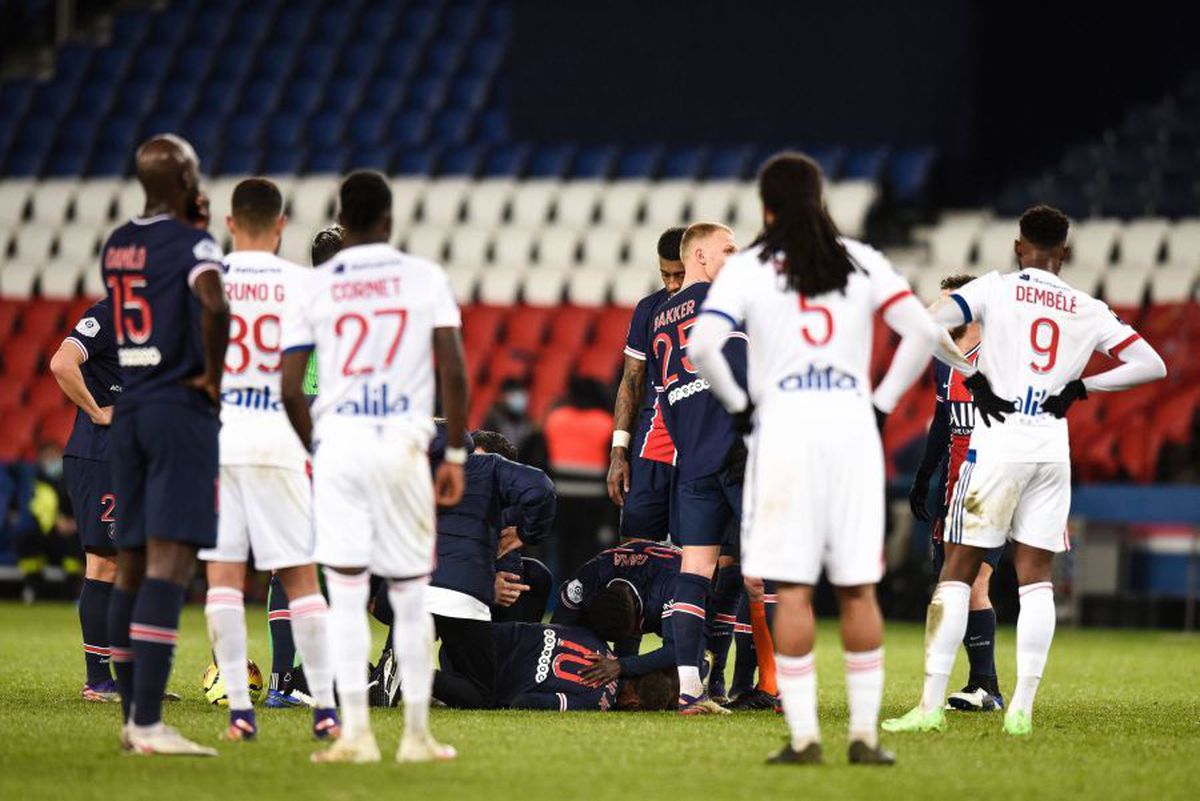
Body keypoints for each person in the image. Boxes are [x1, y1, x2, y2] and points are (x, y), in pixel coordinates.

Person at [690, 152, 946, 764]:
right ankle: (863, 737)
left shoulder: (750, 267)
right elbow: (922, 332)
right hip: (850, 433)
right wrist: (881, 406)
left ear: (767, 207)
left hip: (782, 433)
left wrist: (742, 408)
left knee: (794, 591)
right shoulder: (861, 259)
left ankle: (804, 737)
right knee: (859, 591)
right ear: (821, 198)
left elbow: (703, 346)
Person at [884, 205, 1167, 737]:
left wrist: (972, 371)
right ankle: (1022, 707)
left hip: (997, 448)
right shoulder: (1088, 306)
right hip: (1051, 452)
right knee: (1037, 581)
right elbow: (1153, 364)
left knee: (957, 572)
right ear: (1066, 252)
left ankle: (928, 706)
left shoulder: (994, 288)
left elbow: (923, 322)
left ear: (1019, 247)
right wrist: (1083, 387)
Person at [280, 170, 469, 764]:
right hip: (402, 449)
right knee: (411, 596)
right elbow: (454, 370)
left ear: (343, 214)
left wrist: (318, 446)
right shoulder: (423, 278)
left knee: (345, 591)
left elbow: (290, 386)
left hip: (339, 447)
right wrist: (457, 452)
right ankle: (416, 735)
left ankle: (355, 735)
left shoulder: (314, 286)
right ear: (388, 220)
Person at [100, 134, 229, 756]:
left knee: (128, 564)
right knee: (171, 564)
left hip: (129, 406)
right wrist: (212, 374)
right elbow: (213, 299)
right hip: (179, 406)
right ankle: (150, 724)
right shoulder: (195, 244)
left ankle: (132, 720)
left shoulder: (117, 242)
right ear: (182, 177)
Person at [197, 178, 339, 743]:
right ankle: (325, 708)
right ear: (281, 226)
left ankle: (239, 712)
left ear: (230, 225)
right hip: (283, 441)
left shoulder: (209, 282)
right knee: (303, 576)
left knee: (225, 579)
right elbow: (312, 375)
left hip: (222, 438)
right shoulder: (305, 286)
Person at [642, 221, 742, 715]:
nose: (736, 257)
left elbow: (661, 396)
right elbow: (744, 369)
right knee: (775, 571)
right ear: (700, 255)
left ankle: (689, 689)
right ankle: (784, 688)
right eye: (728, 249)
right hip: (738, 449)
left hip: (694, 459)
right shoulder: (726, 302)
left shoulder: (660, 314)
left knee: (694, 569)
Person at [909, 273, 1004, 712]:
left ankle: (986, 686)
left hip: (992, 483)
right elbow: (943, 421)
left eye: (951, 304)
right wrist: (925, 475)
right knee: (953, 584)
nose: (941, 313)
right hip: (953, 485)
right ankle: (981, 685)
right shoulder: (944, 358)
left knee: (972, 580)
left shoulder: (1001, 357)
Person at [262, 221, 346, 706]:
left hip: (285, 444)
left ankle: (279, 684)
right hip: (329, 443)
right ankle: (317, 682)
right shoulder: (356, 310)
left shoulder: (291, 302)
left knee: (285, 569)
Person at [48, 295, 120, 700]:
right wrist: (97, 411)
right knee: (105, 562)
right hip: (100, 455)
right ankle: (98, 680)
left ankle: (128, 676)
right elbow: (62, 362)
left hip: (132, 458)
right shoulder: (106, 314)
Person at [606, 226, 685, 541]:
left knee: (706, 559)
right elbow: (631, 381)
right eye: (665, 275)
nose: (672, 284)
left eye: (679, 274)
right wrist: (618, 451)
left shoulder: (720, 307)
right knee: (634, 552)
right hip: (654, 445)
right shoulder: (649, 309)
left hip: (700, 449)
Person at [434, 621, 677, 712]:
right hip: (463, 679)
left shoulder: (598, 641)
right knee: (483, 700)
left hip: (470, 640)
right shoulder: (597, 702)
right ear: (633, 702)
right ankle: (413, 677)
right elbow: (524, 702)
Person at [550, 539, 681, 682]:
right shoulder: (587, 579)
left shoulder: (671, 587)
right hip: (644, 583)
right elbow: (555, 633)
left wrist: (621, 665)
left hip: (688, 584)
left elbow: (678, 650)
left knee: (678, 677)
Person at [543, 377, 616, 574]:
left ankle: (559, 598)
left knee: (561, 553)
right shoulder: (605, 422)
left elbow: (543, 460)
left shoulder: (555, 418)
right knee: (585, 554)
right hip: (593, 502)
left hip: (560, 498)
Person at [13, 442, 82, 603]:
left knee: (75, 544)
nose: (52, 460)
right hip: (48, 531)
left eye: (55, 456)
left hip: (73, 532)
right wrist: (57, 521)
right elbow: (37, 508)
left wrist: (75, 524)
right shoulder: (35, 484)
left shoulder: (74, 479)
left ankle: (70, 594)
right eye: (48, 456)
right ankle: (37, 591)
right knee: (26, 540)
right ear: (40, 460)